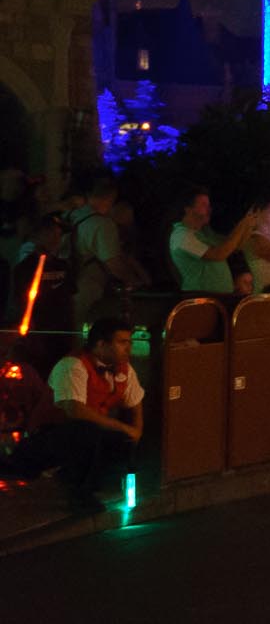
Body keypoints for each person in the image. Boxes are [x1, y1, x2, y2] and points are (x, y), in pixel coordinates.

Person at [26, 317, 145, 510]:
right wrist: (123, 427)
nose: (128, 348)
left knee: (119, 439)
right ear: (101, 344)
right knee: (85, 431)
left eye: (130, 342)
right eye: (122, 342)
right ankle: (78, 493)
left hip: (90, 430)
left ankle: (99, 482)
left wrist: (136, 432)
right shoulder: (73, 365)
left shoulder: (124, 368)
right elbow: (75, 410)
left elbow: (136, 401)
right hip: (50, 433)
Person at [69, 179, 144, 328]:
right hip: (89, 288)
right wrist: (133, 281)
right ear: (111, 198)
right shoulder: (103, 225)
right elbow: (113, 263)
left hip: (68, 283)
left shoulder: (74, 216)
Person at [168, 188, 260, 295]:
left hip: (217, 296)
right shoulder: (182, 235)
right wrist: (242, 225)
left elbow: (234, 246)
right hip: (201, 298)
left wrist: (248, 224)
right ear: (188, 209)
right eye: (204, 205)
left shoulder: (205, 233)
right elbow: (218, 254)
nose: (209, 209)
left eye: (209, 205)